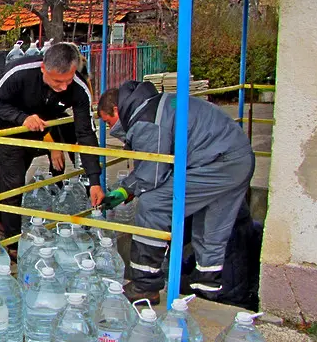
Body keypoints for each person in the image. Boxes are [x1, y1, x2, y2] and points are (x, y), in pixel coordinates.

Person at [98, 81, 255, 305]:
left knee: (153, 204)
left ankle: (145, 285)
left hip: (219, 161)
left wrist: (127, 189)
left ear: (116, 110)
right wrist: (128, 189)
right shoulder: (154, 104)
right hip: (233, 157)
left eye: (108, 122)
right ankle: (207, 287)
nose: (111, 128)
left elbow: (153, 173)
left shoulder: (145, 120)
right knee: (211, 223)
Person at [0, 42, 106, 246]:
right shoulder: (20, 72)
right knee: (14, 181)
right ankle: (13, 243)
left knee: (17, 172)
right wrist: (22, 118)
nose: (63, 87)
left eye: (67, 80)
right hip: (8, 128)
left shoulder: (78, 88)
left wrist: (94, 180)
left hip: (37, 128)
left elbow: (86, 133)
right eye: (57, 81)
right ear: (44, 68)